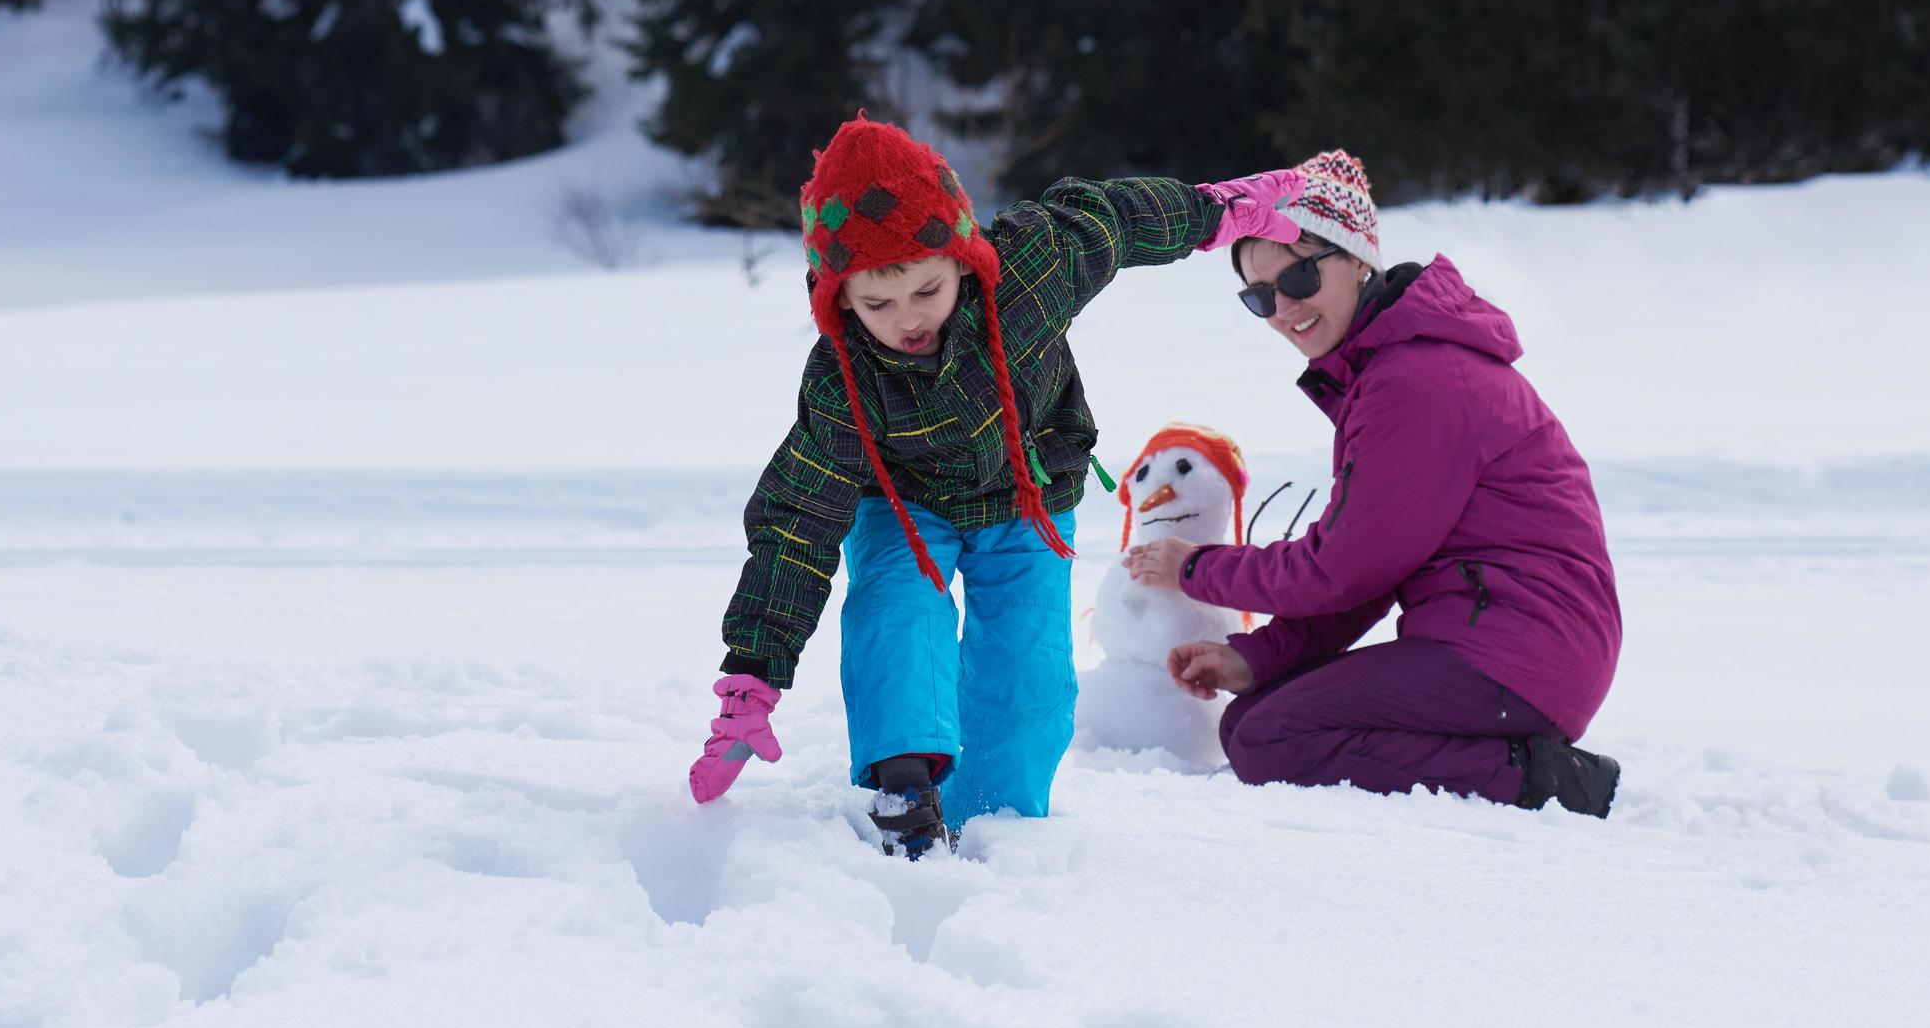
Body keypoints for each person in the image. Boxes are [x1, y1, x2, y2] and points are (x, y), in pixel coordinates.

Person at [684, 113, 1297, 856]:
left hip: (1027, 494)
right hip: (903, 501)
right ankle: (902, 782)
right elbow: (796, 520)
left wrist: (1214, 212)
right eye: (877, 304)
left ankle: (994, 821)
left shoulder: (1029, 272)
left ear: (961, 256)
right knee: (896, 609)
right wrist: (752, 674)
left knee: (1029, 667)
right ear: (838, 299)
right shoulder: (841, 377)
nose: (907, 319)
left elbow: (1112, 219)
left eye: (926, 290)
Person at [1122, 150, 1624, 815]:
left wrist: (1197, 569)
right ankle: (1519, 763)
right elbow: (1373, 567)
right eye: (1259, 295)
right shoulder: (1388, 370)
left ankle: (1543, 780)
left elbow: (1342, 568)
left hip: (1516, 654)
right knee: (1253, 720)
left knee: (1271, 737)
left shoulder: (1414, 381)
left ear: (1357, 258)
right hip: (1506, 650)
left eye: (1298, 275)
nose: (1282, 308)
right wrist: (1260, 659)